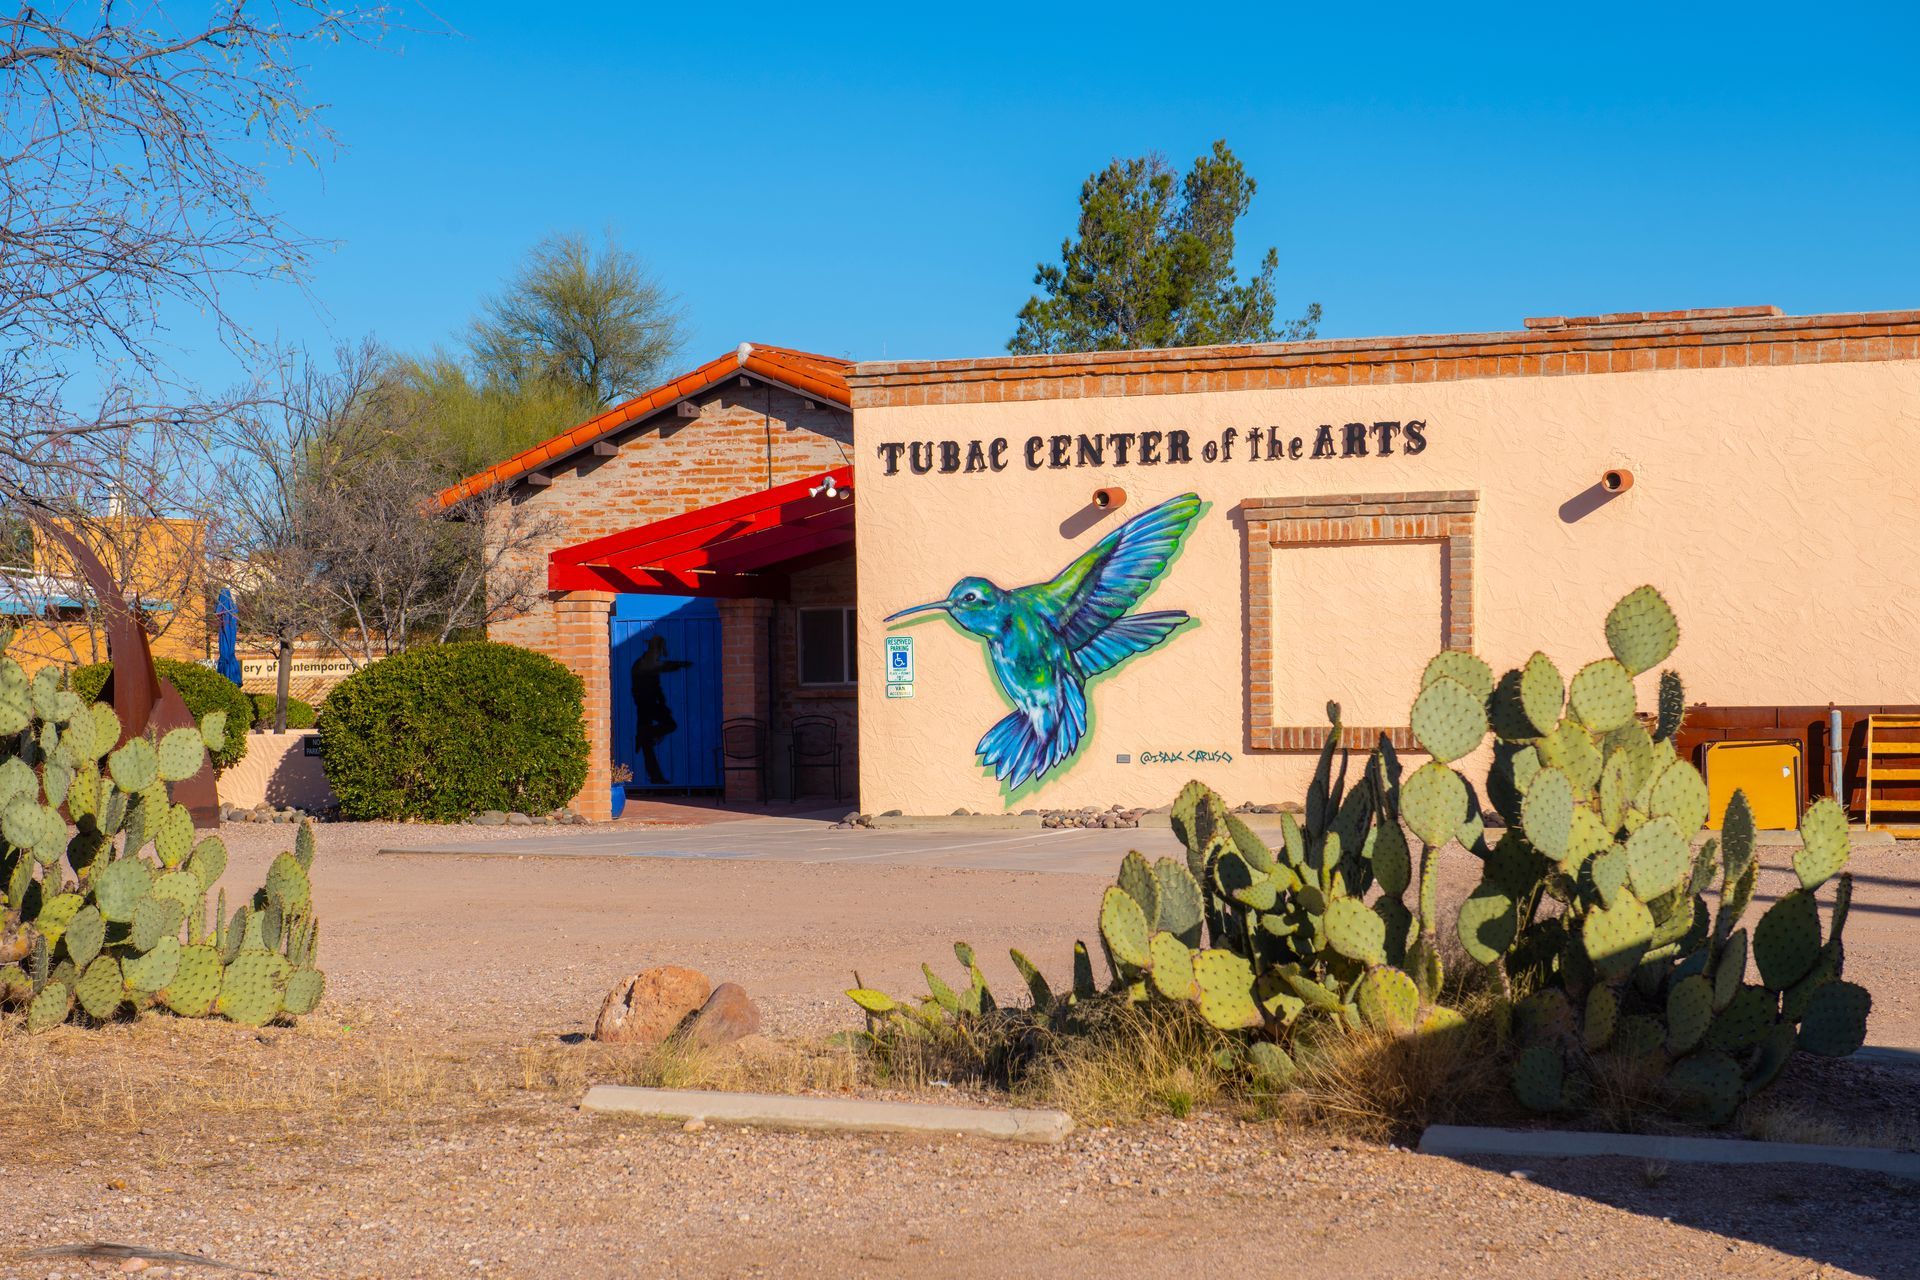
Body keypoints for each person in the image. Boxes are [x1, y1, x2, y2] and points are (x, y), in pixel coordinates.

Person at [630, 634, 692, 785]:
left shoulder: (648, 662)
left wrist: (664, 705)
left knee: (650, 740)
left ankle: (646, 735)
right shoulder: (643, 663)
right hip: (646, 706)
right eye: (658, 649)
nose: (659, 652)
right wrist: (681, 664)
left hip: (650, 706)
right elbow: (660, 668)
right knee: (649, 743)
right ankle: (655, 776)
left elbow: (657, 687)